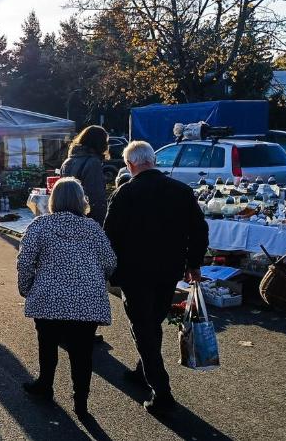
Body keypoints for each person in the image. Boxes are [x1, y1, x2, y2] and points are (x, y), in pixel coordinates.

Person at [104, 141, 208, 415]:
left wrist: (109, 269)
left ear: (130, 165)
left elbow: (110, 235)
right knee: (152, 321)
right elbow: (199, 230)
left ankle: (161, 390)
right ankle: (142, 370)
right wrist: (193, 263)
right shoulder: (181, 191)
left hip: (134, 271)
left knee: (142, 326)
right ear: (152, 160)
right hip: (169, 269)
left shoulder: (125, 194)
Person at [17, 177, 116, 416]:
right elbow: (110, 262)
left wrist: (26, 288)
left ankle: (45, 384)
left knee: (47, 343)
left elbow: (25, 261)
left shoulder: (40, 225)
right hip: (87, 300)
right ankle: (80, 400)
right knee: (82, 352)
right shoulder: (92, 228)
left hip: (48, 298)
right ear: (81, 200)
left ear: (53, 200)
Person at [61, 126, 109, 224]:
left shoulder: (67, 161)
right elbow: (96, 196)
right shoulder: (93, 162)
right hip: (87, 218)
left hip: (66, 216)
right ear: (99, 142)